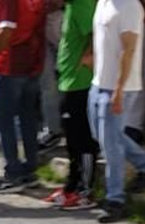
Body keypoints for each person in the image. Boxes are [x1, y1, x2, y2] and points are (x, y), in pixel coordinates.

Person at [89, 0, 145, 221]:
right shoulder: (103, 2)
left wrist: (119, 90)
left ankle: (116, 200)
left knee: (111, 146)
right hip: (99, 83)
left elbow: (128, 49)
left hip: (118, 87)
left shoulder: (129, 6)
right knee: (103, 136)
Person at [0, 0, 48, 189]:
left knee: (3, 120)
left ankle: (13, 173)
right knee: (27, 118)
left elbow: (6, 30)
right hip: (33, 61)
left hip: (11, 64)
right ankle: (29, 170)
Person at [52, 0, 100, 207]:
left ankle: (86, 190)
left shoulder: (82, 4)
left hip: (80, 81)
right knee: (71, 139)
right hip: (68, 80)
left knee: (83, 139)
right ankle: (71, 186)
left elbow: (96, 32)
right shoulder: (72, 5)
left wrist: (89, 56)